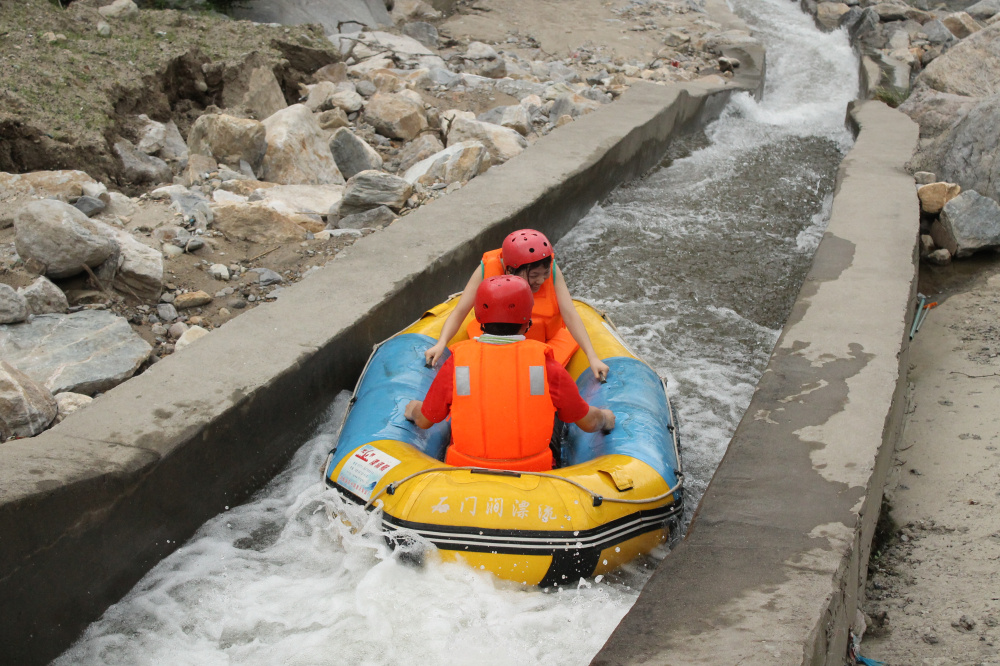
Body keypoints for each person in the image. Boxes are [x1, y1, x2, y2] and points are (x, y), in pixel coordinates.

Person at [405, 275, 616, 472]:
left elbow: (425, 420)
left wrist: (413, 409)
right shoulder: (547, 366)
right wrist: (605, 418)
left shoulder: (457, 362)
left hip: (465, 473)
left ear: (479, 320)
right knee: (558, 417)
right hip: (534, 474)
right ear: (528, 322)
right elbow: (588, 423)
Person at [423, 229, 611, 381]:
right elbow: (460, 311)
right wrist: (441, 343)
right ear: (511, 269)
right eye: (533, 275)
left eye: (544, 274)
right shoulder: (489, 267)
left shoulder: (551, 270)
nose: (541, 280)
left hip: (543, 345)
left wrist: (592, 357)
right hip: (496, 343)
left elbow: (569, 314)